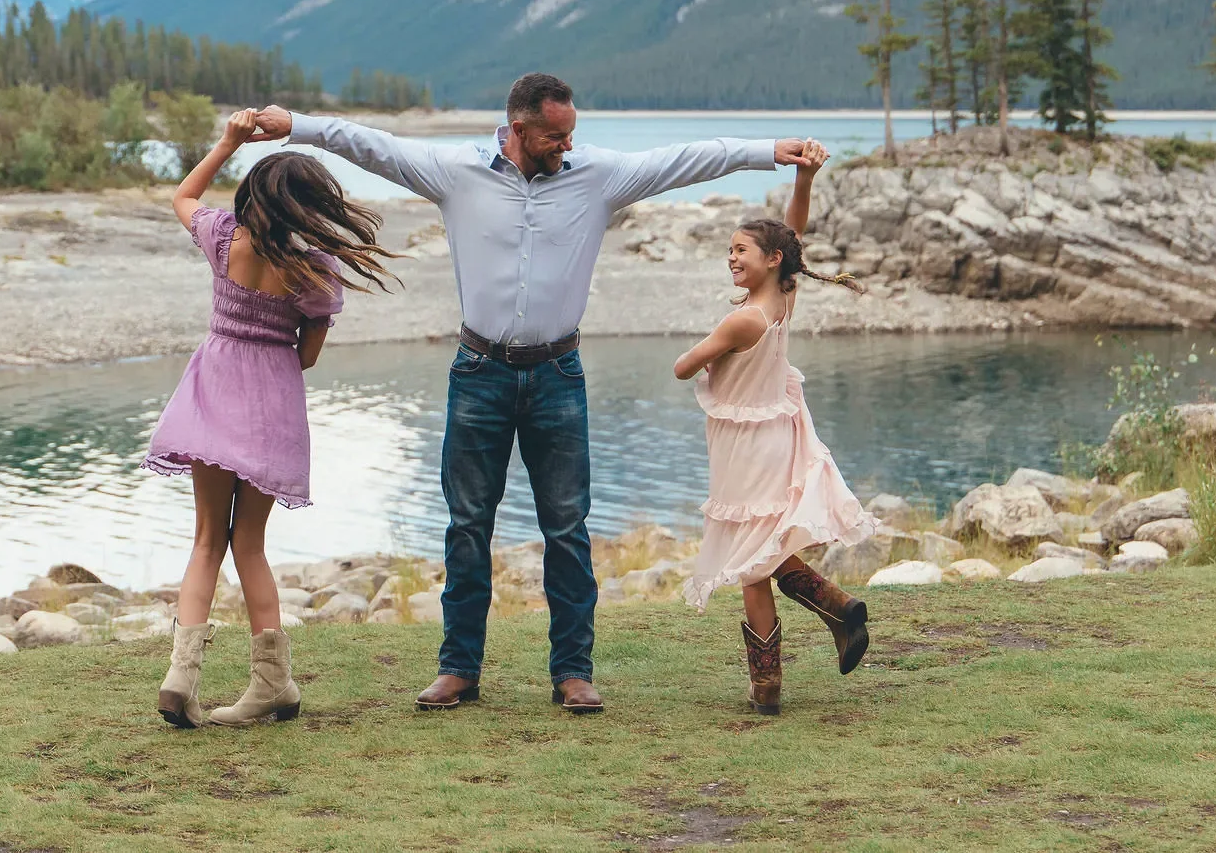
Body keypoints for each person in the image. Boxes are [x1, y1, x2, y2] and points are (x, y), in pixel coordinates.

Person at [253, 74, 816, 714]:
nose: (568, 144)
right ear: (519, 128)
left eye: (572, 132)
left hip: (558, 375)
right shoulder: (453, 170)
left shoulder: (596, 175)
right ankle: (458, 668)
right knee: (467, 526)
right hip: (478, 373)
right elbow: (371, 145)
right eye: (556, 134)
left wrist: (772, 149)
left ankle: (573, 672)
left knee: (568, 529)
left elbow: (686, 159)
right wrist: (293, 124)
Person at [144, 108, 397, 728]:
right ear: (311, 210)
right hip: (270, 402)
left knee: (207, 541)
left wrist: (228, 139)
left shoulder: (223, 237)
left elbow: (183, 194)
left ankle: (183, 674)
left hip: (211, 393)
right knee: (249, 545)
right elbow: (305, 356)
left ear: (253, 196)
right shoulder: (314, 270)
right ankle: (272, 684)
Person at [671, 143, 878, 715]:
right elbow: (793, 233)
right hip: (774, 436)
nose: (731, 258)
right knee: (757, 553)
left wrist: (710, 349)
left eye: (740, 251)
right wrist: (804, 180)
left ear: (770, 261)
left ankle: (770, 684)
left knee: (751, 563)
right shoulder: (783, 295)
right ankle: (835, 612)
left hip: (746, 448)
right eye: (728, 250)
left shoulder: (743, 318)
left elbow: (682, 366)